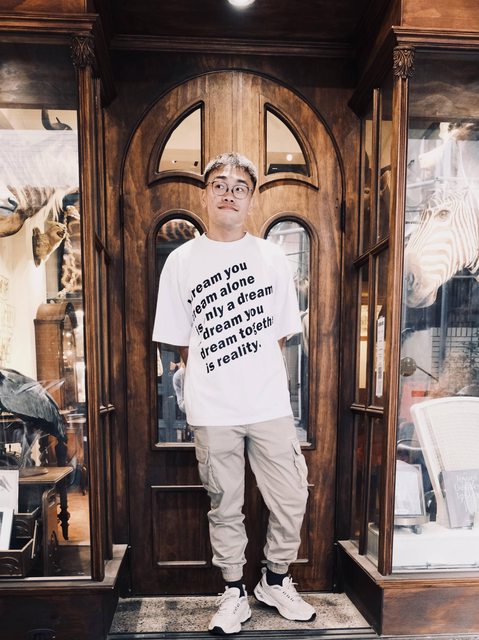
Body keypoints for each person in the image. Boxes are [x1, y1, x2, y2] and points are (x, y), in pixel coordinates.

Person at [153, 152, 315, 635]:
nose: (229, 192)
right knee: (224, 504)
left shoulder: (271, 257)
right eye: (220, 184)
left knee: (291, 496)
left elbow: (280, 335)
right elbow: (182, 341)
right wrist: (215, 373)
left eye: (240, 186)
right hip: (212, 408)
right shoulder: (181, 261)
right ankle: (233, 591)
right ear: (205, 194)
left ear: (251, 199)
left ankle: (274, 580)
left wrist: (252, 371)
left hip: (268, 404)